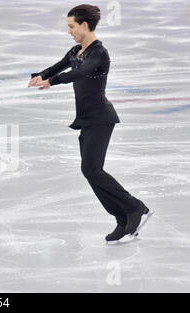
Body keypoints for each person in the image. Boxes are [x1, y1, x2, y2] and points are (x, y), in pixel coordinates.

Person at [28, 4, 153, 242]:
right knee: (90, 170)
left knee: (92, 169)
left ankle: (134, 207)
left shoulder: (99, 53)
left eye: (72, 27)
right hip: (87, 119)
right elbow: (57, 67)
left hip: (101, 118)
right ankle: (123, 216)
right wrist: (40, 76)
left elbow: (77, 73)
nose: (70, 31)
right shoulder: (76, 50)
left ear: (85, 25)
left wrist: (51, 82)